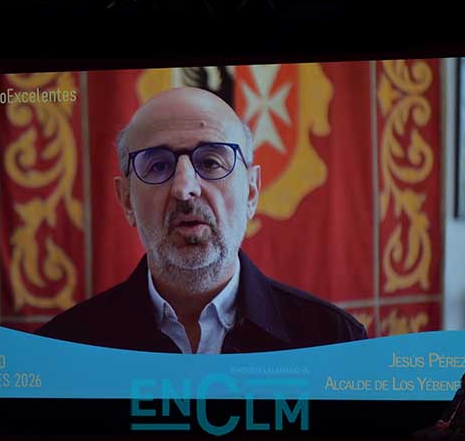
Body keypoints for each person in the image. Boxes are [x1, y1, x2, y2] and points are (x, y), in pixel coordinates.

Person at [37, 87, 367, 353]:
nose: (184, 189)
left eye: (210, 162)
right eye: (158, 166)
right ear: (126, 200)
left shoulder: (334, 343)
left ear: (252, 192)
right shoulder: (64, 351)